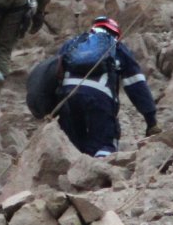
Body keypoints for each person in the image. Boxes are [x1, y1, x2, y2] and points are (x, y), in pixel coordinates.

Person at [56, 17, 160, 158]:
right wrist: (151, 120)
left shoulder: (73, 43)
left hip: (67, 97)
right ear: (116, 33)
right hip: (99, 98)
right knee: (104, 144)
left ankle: (74, 167)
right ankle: (101, 167)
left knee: (72, 146)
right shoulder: (117, 47)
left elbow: (53, 74)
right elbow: (136, 84)